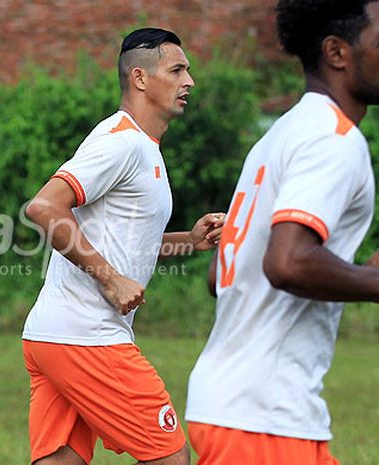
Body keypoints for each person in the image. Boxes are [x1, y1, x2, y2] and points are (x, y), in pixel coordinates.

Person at [186, 1, 379, 464]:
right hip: (261, 415)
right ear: (338, 53)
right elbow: (287, 261)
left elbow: (221, 275)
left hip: (250, 409)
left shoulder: (280, 133)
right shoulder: (333, 140)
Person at [22, 28, 224, 465]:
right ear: (140, 78)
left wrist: (188, 241)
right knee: (171, 457)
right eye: (177, 70)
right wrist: (110, 280)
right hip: (86, 336)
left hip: (53, 335)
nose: (189, 81)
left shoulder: (143, 147)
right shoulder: (122, 142)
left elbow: (127, 242)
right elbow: (43, 208)